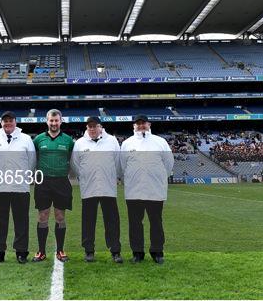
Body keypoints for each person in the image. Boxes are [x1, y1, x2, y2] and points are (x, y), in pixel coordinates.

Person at [120, 114, 174, 264]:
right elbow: (121, 166)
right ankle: (137, 253)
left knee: (156, 222)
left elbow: (169, 164)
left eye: (143, 123)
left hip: (155, 190)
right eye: (138, 124)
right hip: (133, 191)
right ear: (133, 126)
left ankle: (157, 252)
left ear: (149, 125)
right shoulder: (127, 144)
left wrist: (159, 178)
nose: (141, 126)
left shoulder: (160, 142)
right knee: (135, 223)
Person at [71, 116, 123, 263]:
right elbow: (75, 165)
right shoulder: (80, 143)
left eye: (95, 126)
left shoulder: (112, 140)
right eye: (89, 127)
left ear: (100, 127)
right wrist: (85, 177)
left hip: (108, 188)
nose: (92, 129)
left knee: (112, 220)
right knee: (88, 221)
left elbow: (118, 162)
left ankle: (115, 251)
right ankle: (89, 251)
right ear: (87, 128)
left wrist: (115, 177)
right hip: (89, 188)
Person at [0, 111, 36, 265]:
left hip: (20, 187)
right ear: (1, 123)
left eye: (10, 121)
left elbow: (32, 162)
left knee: (21, 221)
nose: (8, 123)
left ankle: (21, 252)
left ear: (15, 121)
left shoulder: (26, 139)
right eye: (5, 121)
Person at [32, 109, 74, 263]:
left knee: (60, 216)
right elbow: (33, 159)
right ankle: (41, 251)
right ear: (47, 121)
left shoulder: (69, 141)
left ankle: (60, 250)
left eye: (56, 121)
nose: (54, 123)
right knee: (42, 216)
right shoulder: (38, 140)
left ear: (61, 121)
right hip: (43, 182)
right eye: (51, 120)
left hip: (61, 182)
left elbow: (72, 161)